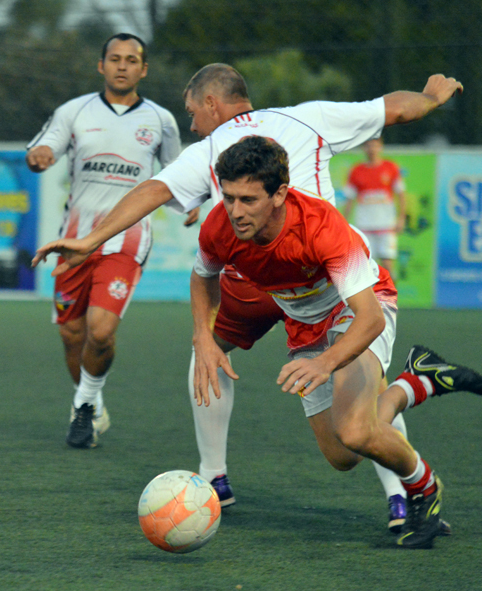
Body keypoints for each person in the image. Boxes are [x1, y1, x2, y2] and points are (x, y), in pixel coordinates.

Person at [31, 66, 463, 528]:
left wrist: (93, 237)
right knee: (338, 450)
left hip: (334, 278)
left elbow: (156, 189)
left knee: (353, 420)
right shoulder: (304, 120)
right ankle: (399, 423)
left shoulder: (216, 154)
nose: (193, 124)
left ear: (213, 104)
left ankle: (395, 494)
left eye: (193, 112)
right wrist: (430, 97)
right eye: (229, 198)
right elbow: (394, 108)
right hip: (275, 281)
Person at [190, 135, 482, 548]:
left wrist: (325, 362)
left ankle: (425, 488)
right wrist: (203, 337)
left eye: (248, 200)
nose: (235, 211)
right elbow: (202, 276)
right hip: (304, 324)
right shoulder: (220, 224)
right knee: (344, 456)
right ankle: (418, 381)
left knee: (355, 430)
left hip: (358, 311)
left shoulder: (320, 226)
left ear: (280, 194)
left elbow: (370, 318)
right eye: (229, 197)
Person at [26, 33, 183, 449]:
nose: (122, 66)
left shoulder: (161, 120)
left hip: (127, 240)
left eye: (132, 60)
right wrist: (39, 155)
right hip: (74, 242)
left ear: (143, 69)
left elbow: (178, 173)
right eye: (115, 58)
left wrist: (196, 208)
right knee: (72, 336)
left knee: (101, 330)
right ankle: (91, 403)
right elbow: (45, 146)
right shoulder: (73, 111)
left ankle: (83, 407)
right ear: (101, 65)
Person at [342, 137, 407, 276]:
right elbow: (349, 199)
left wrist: (401, 218)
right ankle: (371, 298)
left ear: (381, 147)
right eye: (368, 146)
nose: (372, 149)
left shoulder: (390, 167)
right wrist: (343, 223)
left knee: (388, 265)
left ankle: (390, 297)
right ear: (364, 149)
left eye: (375, 146)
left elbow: (401, 194)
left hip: (386, 225)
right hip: (364, 226)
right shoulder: (356, 171)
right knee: (364, 268)